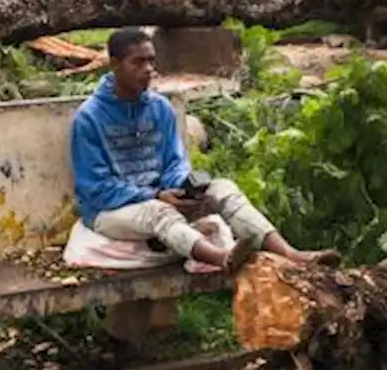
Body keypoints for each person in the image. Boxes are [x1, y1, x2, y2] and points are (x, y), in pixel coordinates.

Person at [69, 28, 339, 273]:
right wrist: (156, 195)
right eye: (138, 62)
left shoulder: (160, 108)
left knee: (224, 190)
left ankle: (292, 255)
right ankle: (223, 258)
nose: (149, 69)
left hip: (160, 198)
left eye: (152, 60)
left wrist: (187, 190)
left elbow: (174, 163)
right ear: (115, 65)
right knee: (158, 213)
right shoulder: (89, 118)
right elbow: (96, 188)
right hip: (108, 212)